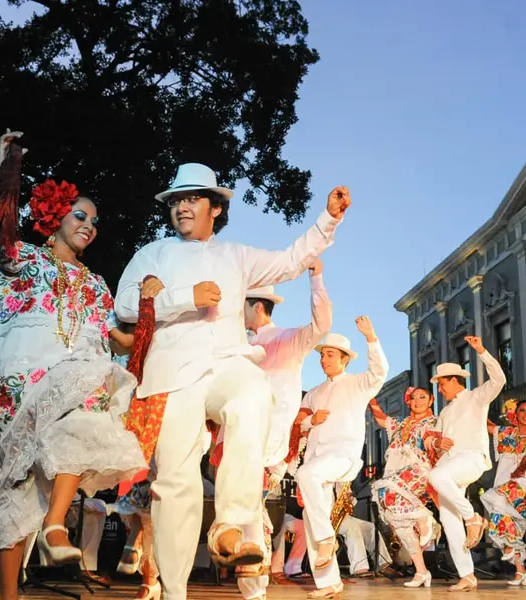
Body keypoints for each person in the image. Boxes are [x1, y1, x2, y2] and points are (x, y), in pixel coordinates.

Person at [115, 162, 350, 600]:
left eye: (193, 199)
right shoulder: (154, 253)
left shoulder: (236, 256)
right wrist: (185, 299)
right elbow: (125, 303)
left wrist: (328, 218)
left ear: (215, 209)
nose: (183, 207)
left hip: (226, 362)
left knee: (254, 394)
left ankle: (229, 524)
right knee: (175, 483)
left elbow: (289, 261)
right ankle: (173, 591)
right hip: (172, 372)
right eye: (177, 200)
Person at [0, 131, 146, 600]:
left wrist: (157, 314)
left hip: (70, 376)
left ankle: (56, 527)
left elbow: (117, 340)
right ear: (52, 216)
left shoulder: (97, 284)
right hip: (19, 379)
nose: (89, 224)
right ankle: (9, 593)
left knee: (88, 397)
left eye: (95, 221)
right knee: (17, 487)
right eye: (80, 214)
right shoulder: (25, 259)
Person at [235, 257, 332, 600]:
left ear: (257, 306)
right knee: (243, 506)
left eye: (242, 306)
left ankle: (255, 584)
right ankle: (254, 580)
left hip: (272, 441)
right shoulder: (239, 345)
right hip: (239, 436)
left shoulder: (289, 340)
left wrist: (316, 279)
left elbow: (321, 325)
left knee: (247, 501)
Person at [294, 317, 388, 599]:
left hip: (342, 455)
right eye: (322, 355)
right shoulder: (313, 392)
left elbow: (380, 371)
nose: (324, 359)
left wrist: (371, 337)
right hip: (316, 459)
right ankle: (329, 583)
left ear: (345, 359)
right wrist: (311, 422)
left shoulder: (358, 384)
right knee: (312, 517)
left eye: (330, 354)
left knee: (305, 476)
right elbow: (299, 423)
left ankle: (327, 540)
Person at [426, 335, 506, 592]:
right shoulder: (446, 412)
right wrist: (437, 444)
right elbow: (434, 440)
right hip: (451, 465)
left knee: (436, 478)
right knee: (449, 520)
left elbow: (499, 380)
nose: (439, 390)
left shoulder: (476, 397)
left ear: (454, 381)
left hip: (471, 458)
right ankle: (467, 575)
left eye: (441, 384)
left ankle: (473, 518)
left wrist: (482, 350)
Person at [368, 387, 440, 588]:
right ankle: (421, 571)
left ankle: (424, 517)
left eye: (422, 397)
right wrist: (371, 400)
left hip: (421, 469)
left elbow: (440, 442)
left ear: (431, 399)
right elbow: (381, 419)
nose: (417, 401)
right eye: (413, 398)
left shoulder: (436, 422)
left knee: (388, 487)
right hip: (397, 474)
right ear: (408, 401)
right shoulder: (401, 423)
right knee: (395, 518)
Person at [479, 398, 526, 587]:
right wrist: (476, 406)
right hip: (504, 481)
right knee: (502, 520)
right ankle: (520, 570)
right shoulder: (506, 433)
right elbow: (486, 425)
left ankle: (509, 548)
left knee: (496, 499)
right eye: (522, 410)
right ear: (515, 414)